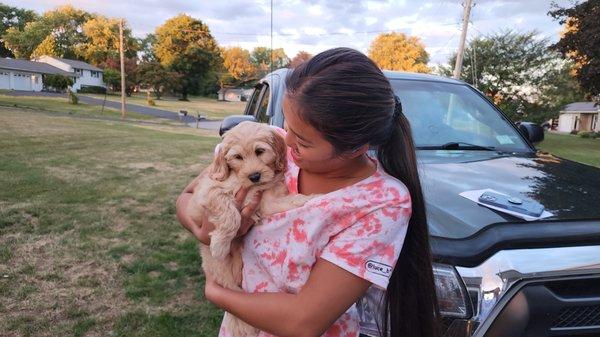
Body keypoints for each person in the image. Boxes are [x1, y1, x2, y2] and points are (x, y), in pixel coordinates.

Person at [176, 47, 440, 337]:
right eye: (287, 126)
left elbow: (303, 321)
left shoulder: (381, 203)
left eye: (302, 140)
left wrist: (216, 293)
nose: (287, 142)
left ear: (356, 148)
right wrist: (203, 230)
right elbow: (187, 197)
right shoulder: (269, 144)